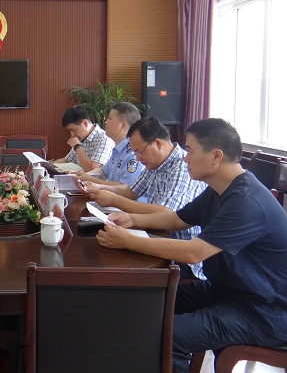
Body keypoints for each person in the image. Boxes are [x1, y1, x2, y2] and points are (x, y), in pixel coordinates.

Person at [96, 119, 287, 373]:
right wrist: (132, 220)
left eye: (190, 151)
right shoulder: (219, 190)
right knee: (148, 297)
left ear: (216, 156)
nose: (185, 158)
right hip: (229, 292)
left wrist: (128, 241)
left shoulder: (246, 201)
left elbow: (194, 252)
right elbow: (176, 219)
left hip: (262, 313)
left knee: (164, 335)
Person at [84, 116, 207, 279]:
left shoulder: (182, 167)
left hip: (179, 255)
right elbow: (131, 190)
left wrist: (114, 200)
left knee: (121, 272)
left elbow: (167, 213)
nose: (137, 158)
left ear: (157, 144)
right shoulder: (155, 164)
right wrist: (101, 188)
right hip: (155, 237)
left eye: (139, 152)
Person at [74, 102, 145, 188]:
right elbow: (104, 172)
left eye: (110, 118)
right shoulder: (117, 149)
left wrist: (91, 180)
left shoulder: (134, 153)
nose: (105, 122)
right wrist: (82, 175)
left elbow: (125, 187)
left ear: (122, 125)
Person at [52, 105, 114, 172]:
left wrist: (77, 147)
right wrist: (48, 165)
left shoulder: (104, 139)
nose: (72, 134)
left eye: (73, 130)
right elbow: (66, 160)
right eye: (70, 131)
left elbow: (92, 170)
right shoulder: (81, 138)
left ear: (85, 123)